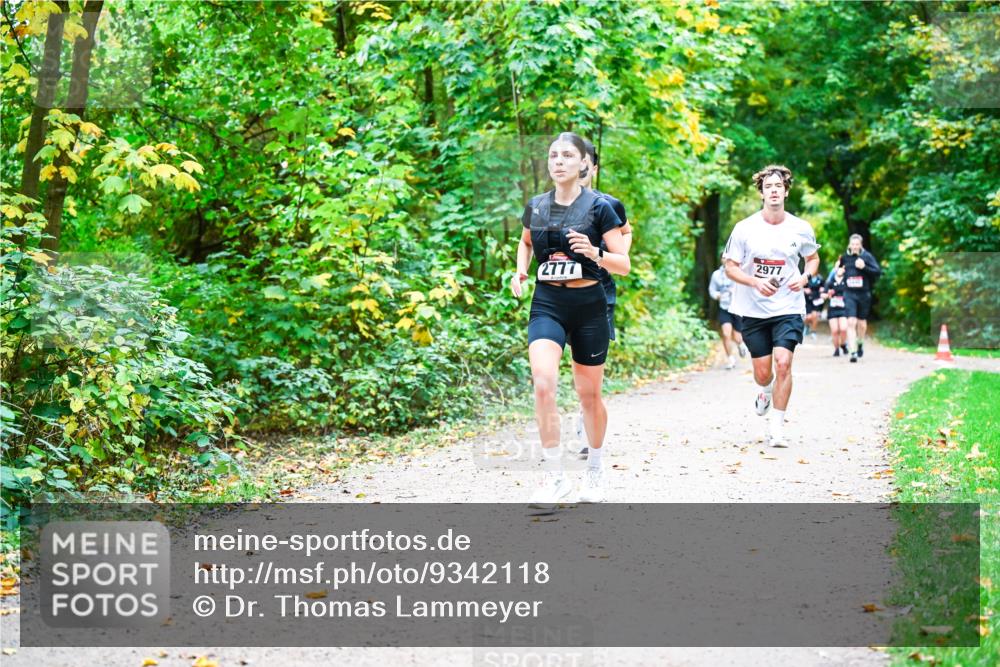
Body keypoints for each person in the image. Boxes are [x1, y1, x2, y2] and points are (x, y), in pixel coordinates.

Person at [511, 131, 630, 506]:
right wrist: (521, 271)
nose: (558, 161)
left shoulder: (600, 207)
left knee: (589, 394)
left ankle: (594, 470)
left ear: (583, 164)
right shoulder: (537, 205)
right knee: (543, 382)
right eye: (552, 155)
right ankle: (553, 476)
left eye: (566, 155)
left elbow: (623, 264)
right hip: (547, 302)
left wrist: (594, 252)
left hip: (589, 305)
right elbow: (527, 241)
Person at [722, 165, 820, 447]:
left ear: (786, 191)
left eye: (779, 186)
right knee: (764, 372)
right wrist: (754, 282)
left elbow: (812, 258)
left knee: (784, 363)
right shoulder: (745, 228)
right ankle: (764, 391)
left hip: (788, 306)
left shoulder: (800, 228)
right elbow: (730, 267)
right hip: (753, 309)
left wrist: (805, 277)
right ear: (762, 193)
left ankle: (776, 427)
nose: (774, 190)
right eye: (768, 187)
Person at [575, 140, 632, 458]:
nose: (580, 166)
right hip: (561, 294)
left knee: (590, 363)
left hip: (600, 292)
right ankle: (584, 405)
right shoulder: (554, 203)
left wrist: (616, 257)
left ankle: (587, 417)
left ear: (593, 168)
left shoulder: (609, 204)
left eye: (586, 161)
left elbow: (626, 232)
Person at [839, 234, 881, 363]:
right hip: (849, 293)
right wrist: (840, 272)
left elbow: (878, 272)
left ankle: (860, 342)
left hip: (864, 294)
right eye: (853, 244)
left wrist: (864, 267)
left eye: (857, 244)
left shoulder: (867, 256)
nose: (855, 247)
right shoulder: (845, 257)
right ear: (849, 245)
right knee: (851, 322)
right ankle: (853, 351)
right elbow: (840, 270)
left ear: (860, 245)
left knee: (861, 323)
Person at [709, 259, 748, 369]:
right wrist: (718, 295)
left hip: (737, 307)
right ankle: (730, 358)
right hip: (724, 307)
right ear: (721, 260)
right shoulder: (716, 275)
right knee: (726, 334)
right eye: (724, 258)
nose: (726, 260)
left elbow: (746, 287)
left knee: (737, 337)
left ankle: (740, 345)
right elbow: (712, 290)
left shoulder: (740, 272)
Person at [825, 261, 849, 357]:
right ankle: (836, 349)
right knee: (835, 330)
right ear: (835, 269)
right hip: (833, 309)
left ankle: (843, 344)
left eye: (842, 267)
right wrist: (828, 294)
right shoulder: (830, 282)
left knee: (843, 329)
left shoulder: (847, 281)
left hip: (844, 308)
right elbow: (822, 294)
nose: (839, 269)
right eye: (838, 267)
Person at [802, 272, 825, 340]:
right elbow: (800, 287)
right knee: (808, 317)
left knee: (815, 316)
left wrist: (823, 290)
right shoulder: (806, 277)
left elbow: (825, 287)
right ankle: (806, 326)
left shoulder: (820, 278)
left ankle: (813, 332)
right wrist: (804, 290)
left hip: (816, 300)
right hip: (807, 301)